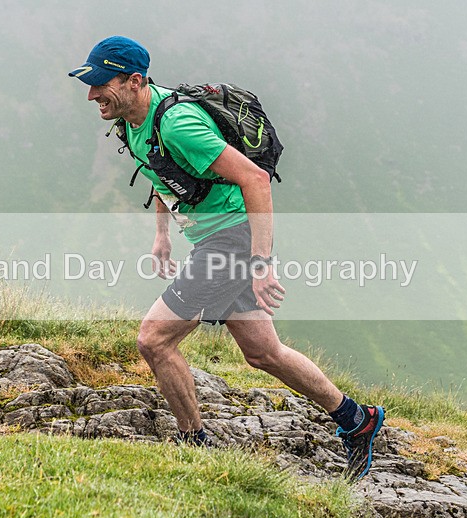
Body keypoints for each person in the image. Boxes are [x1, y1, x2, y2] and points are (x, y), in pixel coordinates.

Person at [69, 35, 385, 481]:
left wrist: (259, 264)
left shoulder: (179, 123)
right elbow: (163, 173)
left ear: (135, 81)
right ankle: (358, 419)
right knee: (263, 352)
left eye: (101, 83)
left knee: (153, 340)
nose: (91, 94)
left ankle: (194, 443)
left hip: (231, 242)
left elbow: (256, 179)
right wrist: (162, 235)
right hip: (211, 240)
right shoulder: (134, 121)